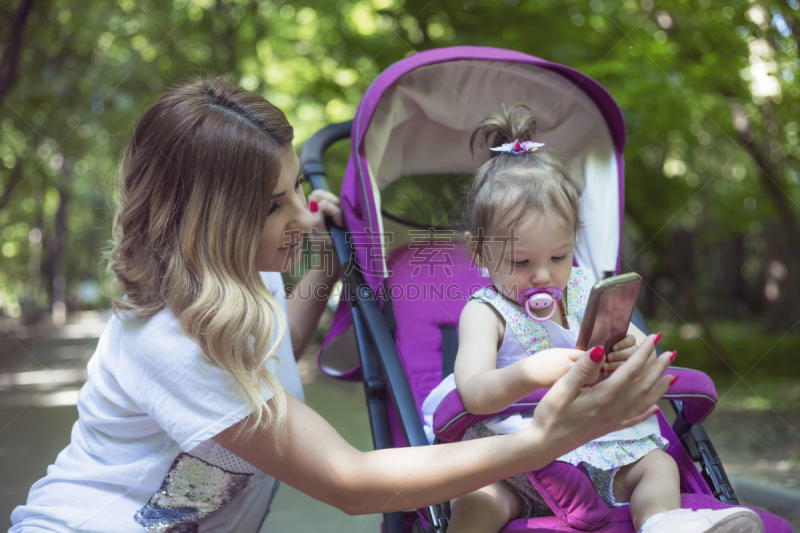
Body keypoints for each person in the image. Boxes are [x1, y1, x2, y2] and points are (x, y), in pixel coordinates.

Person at [11, 80, 675, 533]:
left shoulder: (238, 275)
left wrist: (323, 264)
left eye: (297, 186)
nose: (303, 213)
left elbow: (276, 357)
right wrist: (544, 438)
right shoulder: (171, 342)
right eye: (276, 204)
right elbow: (351, 481)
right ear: (207, 221)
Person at [420, 105, 764, 533]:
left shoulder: (585, 289)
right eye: (521, 261)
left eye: (558, 256)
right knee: (476, 497)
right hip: (514, 460)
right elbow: (473, 392)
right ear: (479, 253)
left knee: (656, 465)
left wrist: (627, 350)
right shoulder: (485, 312)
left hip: (597, 446)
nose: (543, 274)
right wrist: (529, 373)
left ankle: (663, 522)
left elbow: (645, 350)